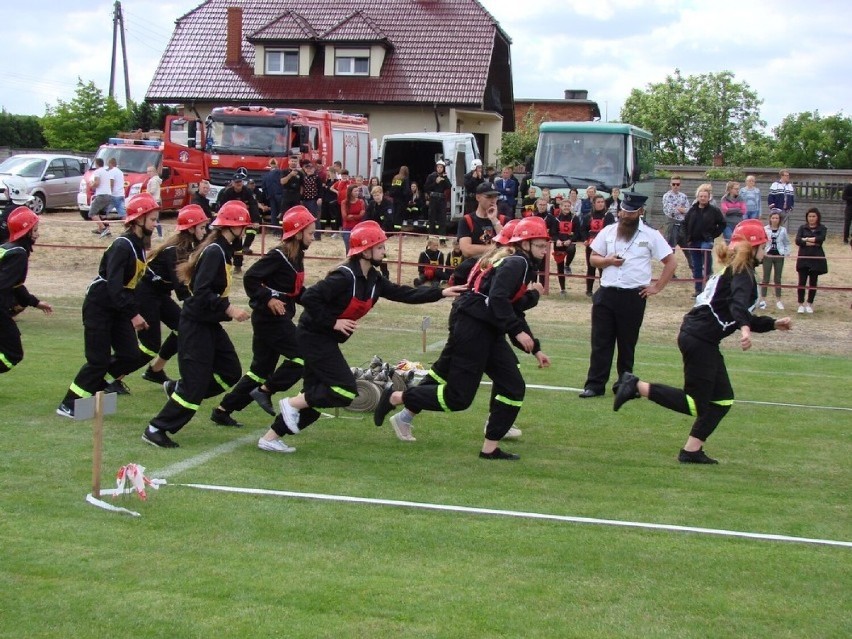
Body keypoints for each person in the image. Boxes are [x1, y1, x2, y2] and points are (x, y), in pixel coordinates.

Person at [266, 221, 465, 449]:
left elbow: (404, 294)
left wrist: (441, 293)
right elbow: (310, 298)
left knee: (313, 408)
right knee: (344, 390)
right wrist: (334, 321)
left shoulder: (374, 279)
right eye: (380, 247)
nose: (384, 251)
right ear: (365, 250)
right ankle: (291, 403)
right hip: (312, 338)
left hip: (325, 339)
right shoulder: (343, 277)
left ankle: (270, 438)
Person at [612, 219, 793, 464]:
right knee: (695, 404)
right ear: (753, 248)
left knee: (722, 399)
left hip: (700, 337)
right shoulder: (743, 273)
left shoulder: (738, 271)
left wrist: (771, 324)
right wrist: (745, 329)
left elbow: (738, 312)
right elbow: (738, 307)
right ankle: (635, 386)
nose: (766, 250)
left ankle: (691, 450)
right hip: (699, 339)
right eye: (763, 245)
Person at [373, 217, 551, 460]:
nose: (545, 250)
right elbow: (499, 301)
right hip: (475, 327)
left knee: (511, 384)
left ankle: (490, 447)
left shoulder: (514, 262)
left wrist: (534, 346)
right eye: (541, 245)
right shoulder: (516, 263)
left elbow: (507, 306)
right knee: (457, 398)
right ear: (524, 244)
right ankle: (397, 397)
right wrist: (527, 310)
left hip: (483, 326)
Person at [142, 201, 253, 448]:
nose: (245, 232)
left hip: (209, 323)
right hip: (196, 324)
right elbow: (201, 292)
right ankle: (156, 428)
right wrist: (230, 309)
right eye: (243, 227)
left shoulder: (220, 249)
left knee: (230, 372)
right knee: (195, 387)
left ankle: (177, 389)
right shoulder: (215, 251)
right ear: (231, 229)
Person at [212, 206, 316, 437]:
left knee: (259, 370)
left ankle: (223, 409)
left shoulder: (296, 257)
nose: (313, 237)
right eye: (310, 233)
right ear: (298, 234)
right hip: (270, 320)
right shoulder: (277, 255)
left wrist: (318, 304)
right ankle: (266, 390)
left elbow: (295, 292)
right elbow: (251, 278)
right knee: (302, 356)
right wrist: (267, 298)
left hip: (277, 318)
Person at [56, 193, 160, 418]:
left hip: (117, 308)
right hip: (99, 305)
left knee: (131, 355)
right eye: (152, 219)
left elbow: (129, 286)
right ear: (138, 219)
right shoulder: (122, 246)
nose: (156, 224)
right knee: (98, 360)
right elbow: (114, 285)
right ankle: (69, 404)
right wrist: (133, 314)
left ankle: (97, 386)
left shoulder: (138, 246)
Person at [578, 193, 676, 398]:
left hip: (633, 295)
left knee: (627, 343)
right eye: (623, 211)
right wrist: (607, 261)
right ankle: (594, 385)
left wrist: (657, 287)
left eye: (630, 213)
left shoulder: (651, 235)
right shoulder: (608, 231)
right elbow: (594, 258)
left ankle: (624, 384)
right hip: (606, 293)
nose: (625, 216)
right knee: (600, 342)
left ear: (640, 212)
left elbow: (671, 262)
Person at [135, 204, 209, 385]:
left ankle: (155, 370)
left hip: (160, 294)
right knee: (150, 346)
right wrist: (199, 305)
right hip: (145, 294)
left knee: (182, 327)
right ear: (191, 229)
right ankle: (113, 376)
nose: (204, 230)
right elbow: (182, 288)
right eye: (201, 227)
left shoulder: (189, 246)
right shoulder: (175, 251)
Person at [0, 207, 52, 373]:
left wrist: (34, 302)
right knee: (13, 353)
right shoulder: (19, 254)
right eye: (35, 230)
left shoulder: (6, 248)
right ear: (26, 232)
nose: (37, 234)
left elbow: (16, 285)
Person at [682, 183, 725, 295]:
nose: (703, 198)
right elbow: (685, 224)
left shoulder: (714, 210)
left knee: (706, 264)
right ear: (698, 197)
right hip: (693, 242)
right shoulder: (692, 210)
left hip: (706, 241)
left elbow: (722, 224)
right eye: (701, 196)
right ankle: (698, 289)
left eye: (705, 196)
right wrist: (688, 238)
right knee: (696, 267)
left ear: (708, 197)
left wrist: (713, 235)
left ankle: (708, 288)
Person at [216, 169, 260, 271]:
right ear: (232, 183)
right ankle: (234, 264)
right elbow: (222, 207)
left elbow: (253, 206)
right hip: (231, 220)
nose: (238, 184)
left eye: (240, 182)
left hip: (245, 217)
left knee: (253, 230)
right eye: (236, 182)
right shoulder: (227, 193)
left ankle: (246, 246)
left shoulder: (247, 191)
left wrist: (255, 220)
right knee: (236, 241)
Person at [457, 182, 507, 259]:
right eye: (489, 197)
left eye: (495, 197)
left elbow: (507, 246)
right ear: (478, 197)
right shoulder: (466, 220)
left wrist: (494, 220)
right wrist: (496, 248)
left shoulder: (503, 220)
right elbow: (466, 250)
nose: (493, 200)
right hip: (472, 266)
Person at [580, 194, 615, 297]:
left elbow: (612, 230)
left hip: (604, 247)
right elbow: (583, 230)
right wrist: (585, 239)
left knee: (602, 268)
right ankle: (589, 290)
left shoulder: (608, 216)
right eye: (598, 202)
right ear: (594, 204)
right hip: (591, 246)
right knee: (591, 267)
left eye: (602, 202)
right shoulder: (588, 216)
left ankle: (602, 290)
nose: (601, 204)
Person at [794, 207, 828, 314]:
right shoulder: (802, 228)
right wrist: (810, 241)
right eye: (809, 216)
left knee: (813, 282)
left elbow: (820, 240)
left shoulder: (822, 228)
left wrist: (806, 239)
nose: (811, 218)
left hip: (816, 258)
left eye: (813, 216)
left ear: (817, 217)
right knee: (801, 282)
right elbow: (798, 240)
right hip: (803, 258)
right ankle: (800, 304)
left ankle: (809, 304)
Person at [758, 210, 790, 311]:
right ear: (770, 219)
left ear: (779, 219)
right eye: (773, 218)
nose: (775, 220)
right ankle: (763, 300)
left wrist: (786, 252)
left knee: (778, 278)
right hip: (768, 255)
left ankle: (778, 300)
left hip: (779, 256)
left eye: (777, 218)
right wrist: (762, 252)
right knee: (765, 277)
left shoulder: (783, 230)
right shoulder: (765, 229)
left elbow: (787, 243)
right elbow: (761, 241)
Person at [553, 197, 579, 296]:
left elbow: (577, 233)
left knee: (572, 249)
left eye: (568, 206)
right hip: (559, 245)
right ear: (561, 207)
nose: (567, 208)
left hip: (569, 243)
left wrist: (570, 240)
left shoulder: (574, 218)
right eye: (565, 206)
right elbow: (553, 232)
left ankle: (567, 265)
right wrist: (557, 240)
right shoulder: (556, 219)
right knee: (559, 267)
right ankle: (562, 289)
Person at [86, 158, 114, 237]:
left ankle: (103, 229)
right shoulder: (107, 172)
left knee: (92, 213)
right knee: (102, 214)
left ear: (96, 164)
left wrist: (91, 184)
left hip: (102, 195)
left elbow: (97, 183)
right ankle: (104, 229)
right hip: (109, 194)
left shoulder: (97, 172)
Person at [424, 160, 450, 235]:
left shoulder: (444, 177)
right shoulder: (431, 176)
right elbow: (426, 187)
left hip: (441, 199)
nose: (439, 169)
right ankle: (431, 236)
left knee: (442, 219)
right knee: (431, 218)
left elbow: (449, 186)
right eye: (438, 167)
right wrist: (436, 182)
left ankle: (442, 238)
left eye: (441, 167)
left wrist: (445, 179)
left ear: (443, 168)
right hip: (433, 199)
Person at [340, 183, 366, 253]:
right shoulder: (344, 202)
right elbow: (345, 217)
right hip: (347, 228)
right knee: (349, 249)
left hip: (358, 228)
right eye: (355, 191)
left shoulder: (361, 202)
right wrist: (357, 216)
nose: (357, 193)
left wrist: (352, 216)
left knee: (359, 249)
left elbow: (362, 215)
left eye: (358, 191)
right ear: (350, 192)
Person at [300, 161, 323, 239]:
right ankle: (309, 234)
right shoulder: (304, 178)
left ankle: (317, 236)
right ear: (305, 170)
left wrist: (320, 198)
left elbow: (320, 189)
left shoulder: (317, 178)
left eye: (310, 168)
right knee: (307, 218)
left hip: (314, 200)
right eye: (307, 168)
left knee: (315, 218)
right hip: (305, 200)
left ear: (313, 169)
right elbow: (302, 190)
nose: (309, 170)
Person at [279, 154, 303, 222]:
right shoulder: (284, 171)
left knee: (296, 213)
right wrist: (290, 175)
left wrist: (300, 196)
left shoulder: (300, 173)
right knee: (285, 213)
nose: (293, 163)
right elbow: (282, 182)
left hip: (296, 195)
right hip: (287, 195)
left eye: (295, 161)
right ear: (289, 162)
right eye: (292, 161)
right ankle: (283, 230)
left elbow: (302, 186)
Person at [261, 159, 284, 225]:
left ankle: (274, 229)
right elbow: (282, 183)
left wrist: (268, 195)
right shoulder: (280, 172)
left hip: (271, 196)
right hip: (280, 195)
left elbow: (264, 187)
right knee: (281, 211)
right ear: (277, 165)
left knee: (273, 212)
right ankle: (281, 228)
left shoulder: (265, 175)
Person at [388, 166, 410, 231]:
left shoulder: (396, 178)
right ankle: (397, 230)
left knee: (394, 213)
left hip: (395, 199)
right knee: (399, 215)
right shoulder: (405, 179)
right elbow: (406, 191)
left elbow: (393, 189)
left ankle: (392, 228)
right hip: (402, 200)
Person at [106, 157, 126, 223]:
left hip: (114, 194)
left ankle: (103, 226)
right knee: (122, 212)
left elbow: (111, 183)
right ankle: (128, 225)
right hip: (121, 193)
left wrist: (109, 193)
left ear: (110, 163)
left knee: (104, 210)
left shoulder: (112, 171)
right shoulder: (120, 172)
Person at [145, 165, 163, 238]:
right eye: (147, 171)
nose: (148, 173)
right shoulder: (155, 180)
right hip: (155, 201)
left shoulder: (153, 180)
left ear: (154, 172)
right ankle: (158, 234)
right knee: (154, 219)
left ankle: (160, 235)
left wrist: (145, 194)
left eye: (150, 171)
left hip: (153, 201)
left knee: (154, 219)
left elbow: (152, 190)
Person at [842, 176, 852, 245]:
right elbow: (844, 197)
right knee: (847, 223)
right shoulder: (848, 186)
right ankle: (845, 239)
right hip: (849, 207)